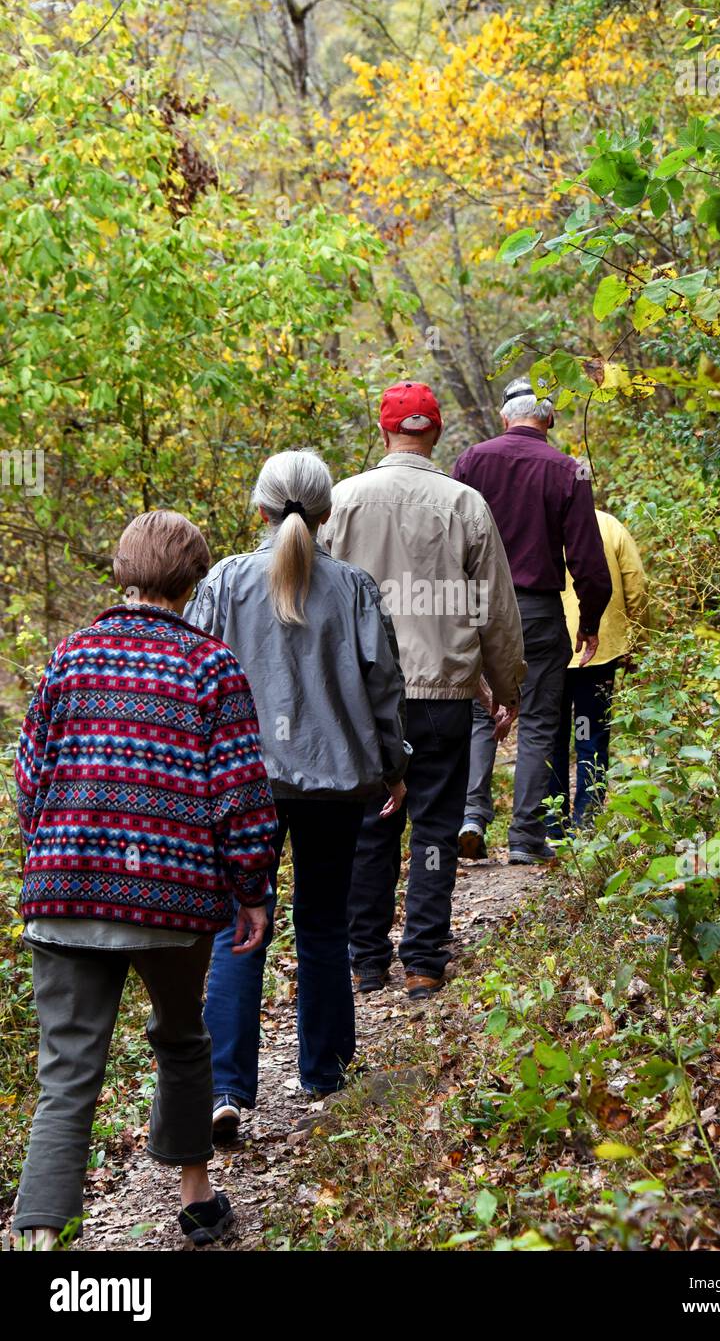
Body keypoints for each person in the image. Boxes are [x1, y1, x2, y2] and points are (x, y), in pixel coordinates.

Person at [12, 511, 276, 1250]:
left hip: (63, 889)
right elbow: (239, 793)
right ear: (193, 580)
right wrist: (249, 888)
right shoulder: (211, 666)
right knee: (182, 1035)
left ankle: (39, 1239)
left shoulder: (69, 656)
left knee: (66, 1075)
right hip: (170, 894)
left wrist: (58, 854)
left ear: (123, 572)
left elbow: (28, 776)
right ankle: (195, 1200)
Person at [186, 450, 409, 1140]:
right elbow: (383, 684)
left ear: (258, 509)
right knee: (322, 925)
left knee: (236, 928)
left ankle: (224, 1087)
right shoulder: (352, 586)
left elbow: (190, 676)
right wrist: (393, 763)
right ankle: (327, 1073)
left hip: (240, 785)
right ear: (327, 512)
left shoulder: (222, 583)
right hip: (334, 782)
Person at [320, 381, 525, 1000]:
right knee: (435, 828)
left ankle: (366, 959)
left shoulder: (339, 502)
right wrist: (506, 684)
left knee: (370, 826)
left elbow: (315, 602)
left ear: (383, 431)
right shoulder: (464, 504)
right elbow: (494, 607)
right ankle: (424, 959)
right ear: (435, 432)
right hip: (442, 693)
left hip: (362, 699)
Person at [453, 377, 612, 865]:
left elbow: (450, 540)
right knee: (540, 723)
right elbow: (586, 558)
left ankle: (472, 815)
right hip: (539, 612)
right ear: (549, 421)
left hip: (477, 607)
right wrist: (589, 619)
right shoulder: (570, 470)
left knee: (481, 712)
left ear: (505, 417)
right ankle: (525, 838)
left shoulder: (471, 461)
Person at [547, 509, 649, 834]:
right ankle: (587, 821)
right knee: (589, 734)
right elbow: (637, 584)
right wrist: (638, 639)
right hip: (599, 648)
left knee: (552, 736)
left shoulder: (540, 526)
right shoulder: (609, 526)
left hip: (549, 647)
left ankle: (553, 824)